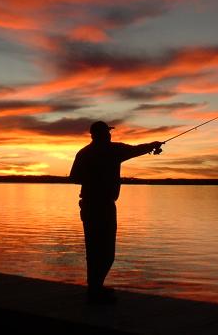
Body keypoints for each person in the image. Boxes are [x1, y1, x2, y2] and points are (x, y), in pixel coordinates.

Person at [69, 121, 162, 304]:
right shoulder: (113, 150)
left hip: (89, 206)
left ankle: (95, 289)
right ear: (101, 134)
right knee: (106, 251)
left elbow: (74, 177)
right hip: (102, 206)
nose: (110, 135)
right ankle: (95, 290)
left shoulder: (84, 152)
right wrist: (152, 145)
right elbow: (136, 150)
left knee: (94, 249)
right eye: (107, 132)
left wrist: (151, 146)